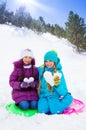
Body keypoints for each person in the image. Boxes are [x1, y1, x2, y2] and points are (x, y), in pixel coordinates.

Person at [37, 50, 73, 114]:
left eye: (50, 61)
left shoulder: (58, 73)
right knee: (42, 111)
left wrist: (56, 84)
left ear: (55, 61)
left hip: (53, 95)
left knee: (55, 110)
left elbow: (63, 91)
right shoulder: (41, 69)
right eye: (46, 61)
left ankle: (68, 98)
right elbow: (31, 69)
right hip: (43, 96)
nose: (48, 63)